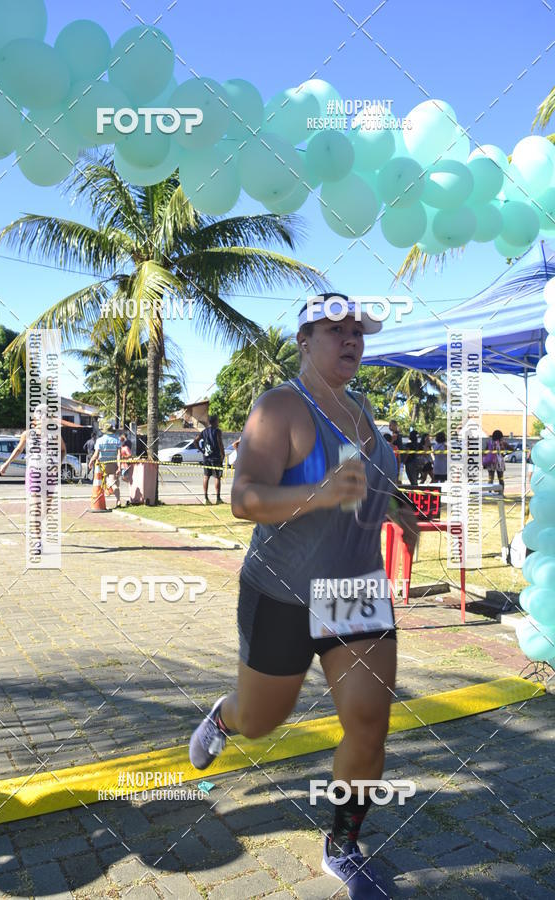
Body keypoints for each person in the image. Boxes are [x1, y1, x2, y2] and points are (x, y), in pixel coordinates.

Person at [188, 294, 419, 898]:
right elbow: (245, 500)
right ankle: (225, 714)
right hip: (281, 592)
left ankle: (343, 847)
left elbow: (372, 485)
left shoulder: (367, 415)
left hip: (353, 591)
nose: (350, 341)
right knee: (262, 721)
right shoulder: (280, 407)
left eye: (358, 334)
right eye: (335, 330)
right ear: (303, 340)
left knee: (370, 724)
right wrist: (317, 494)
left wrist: (396, 509)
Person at [89, 423, 122, 509]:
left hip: (102, 465)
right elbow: (119, 454)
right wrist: (119, 466)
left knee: (104, 483)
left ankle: (103, 498)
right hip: (113, 463)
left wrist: (91, 461)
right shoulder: (117, 440)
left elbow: (96, 454)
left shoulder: (99, 440)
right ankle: (118, 500)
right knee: (114, 482)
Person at [200, 413, 225, 505]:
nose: (218, 422)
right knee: (217, 477)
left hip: (206, 458)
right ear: (215, 421)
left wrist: (202, 450)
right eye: (217, 420)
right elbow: (220, 443)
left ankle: (205, 498)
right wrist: (223, 454)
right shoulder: (217, 431)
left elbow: (196, 441)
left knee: (206, 476)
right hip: (216, 458)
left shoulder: (204, 431)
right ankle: (218, 498)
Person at [117, 435, 133, 504]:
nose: (120, 442)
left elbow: (130, 455)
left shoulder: (126, 448)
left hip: (125, 466)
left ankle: (132, 485)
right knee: (122, 478)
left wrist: (124, 457)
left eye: (121, 441)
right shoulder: (120, 448)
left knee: (124, 478)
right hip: (121, 466)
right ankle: (131, 485)